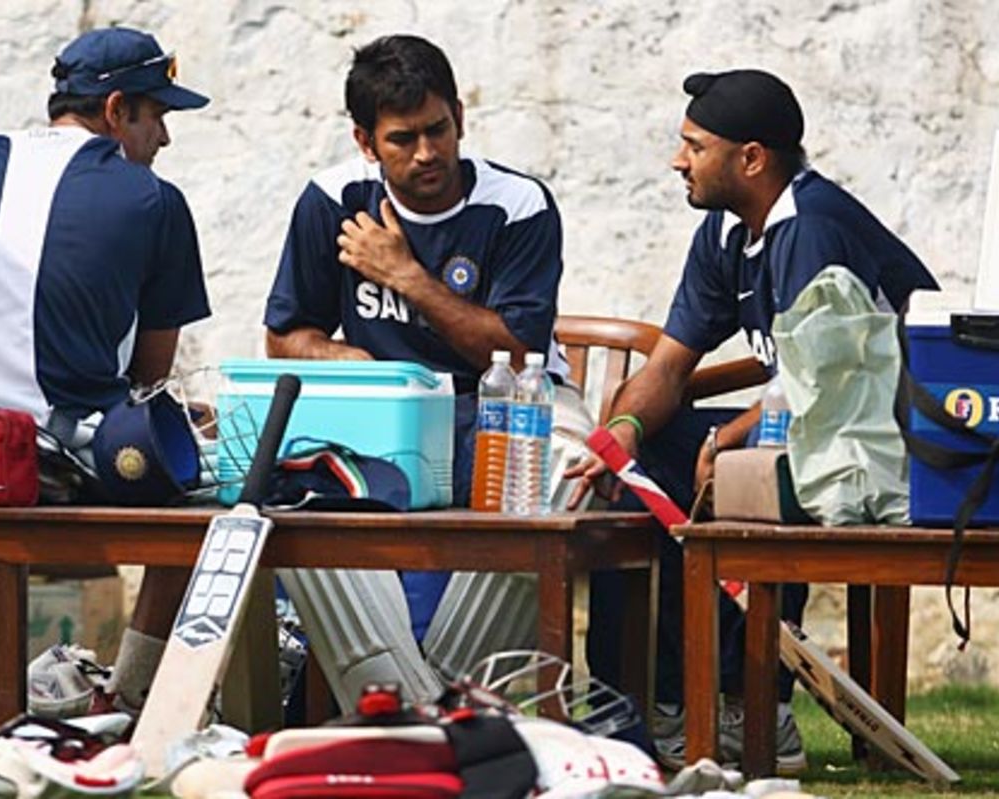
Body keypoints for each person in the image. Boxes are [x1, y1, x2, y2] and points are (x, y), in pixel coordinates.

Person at [566, 69, 939, 772]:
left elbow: (819, 392)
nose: (679, 160)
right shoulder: (727, 231)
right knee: (638, 469)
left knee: (751, 468)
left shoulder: (811, 227)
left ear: (752, 158)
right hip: (817, 424)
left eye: (694, 145)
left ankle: (752, 703)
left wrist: (724, 440)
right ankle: (634, 706)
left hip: (890, 444)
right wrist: (620, 437)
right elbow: (670, 367)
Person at [0, 26, 213, 712]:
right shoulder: (154, 199)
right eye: (158, 116)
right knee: (198, 501)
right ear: (117, 110)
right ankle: (125, 691)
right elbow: (151, 372)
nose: (164, 140)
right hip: (67, 463)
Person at [263, 33, 569, 709]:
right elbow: (285, 336)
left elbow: (517, 352)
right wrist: (360, 365)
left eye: (439, 129)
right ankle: (347, 683)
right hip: (381, 420)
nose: (428, 153)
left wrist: (405, 275)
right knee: (277, 484)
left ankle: (432, 689)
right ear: (366, 142)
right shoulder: (332, 198)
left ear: (460, 115)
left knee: (537, 484)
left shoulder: (517, 204)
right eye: (403, 139)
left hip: (494, 411)